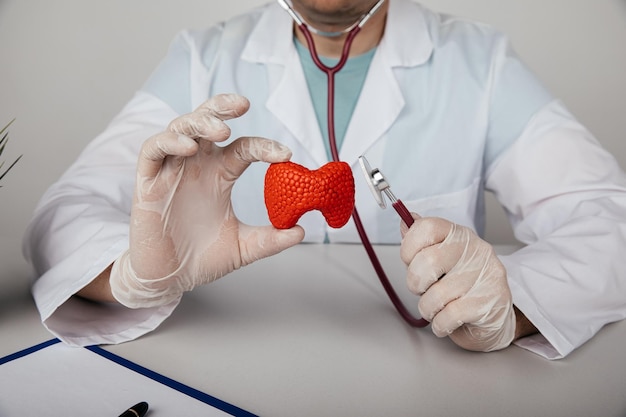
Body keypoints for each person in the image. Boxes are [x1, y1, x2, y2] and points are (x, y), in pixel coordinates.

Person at [22, 0, 626, 359]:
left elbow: (609, 217)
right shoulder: (204, 57)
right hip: (239, 358)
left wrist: (512, 302)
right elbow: (67, 208)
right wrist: (132, 275)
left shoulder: (480, 64)